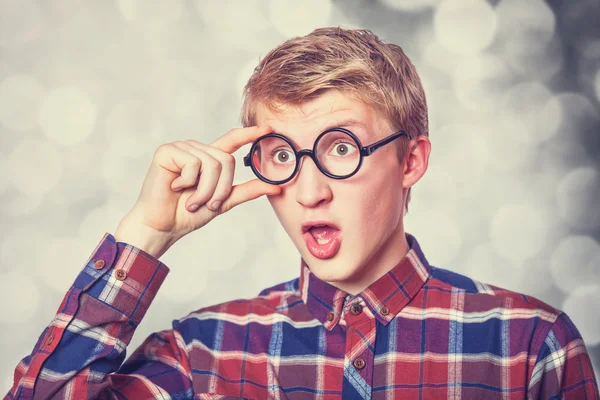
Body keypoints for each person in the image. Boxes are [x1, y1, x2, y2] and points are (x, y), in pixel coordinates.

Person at [5, 27, 599, 400]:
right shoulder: (202, 355)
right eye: (283, 156)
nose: (309, 191)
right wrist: (146, 233)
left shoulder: (529, 347)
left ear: (411, 161)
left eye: (341, 149)